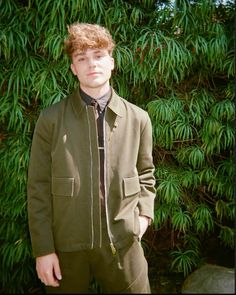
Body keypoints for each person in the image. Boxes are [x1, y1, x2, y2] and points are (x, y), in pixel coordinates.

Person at [27, 22, 156, 294]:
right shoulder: (50, 119)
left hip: (123, 244)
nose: (91, 64)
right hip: (67, 248)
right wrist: (44, 250)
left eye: (98, 56)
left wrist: (143, 217)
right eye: (81, 58)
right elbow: (37, 187)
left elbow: (146, 174)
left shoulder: (138, 118)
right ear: (73, 68)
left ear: (111, 62)